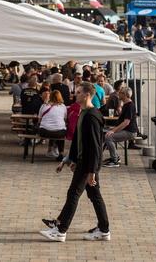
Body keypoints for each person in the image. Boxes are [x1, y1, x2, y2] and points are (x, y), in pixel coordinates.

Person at [40, 82, 110, 242]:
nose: (74, 94)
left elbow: (95, 146)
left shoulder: (91, 116)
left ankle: (60, 230)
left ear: (86, 95)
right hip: (84, 162)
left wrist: (92, 171)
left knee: (74, 194)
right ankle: (104, 229)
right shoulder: (83, 113)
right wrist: (68, 160)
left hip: (87, 164)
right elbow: (78, 141)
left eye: (78, 92)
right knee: (94, 195)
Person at [103, 87, 137, 167]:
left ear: (125, 95)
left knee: (108, 137)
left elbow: (126, 123)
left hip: (130, 132)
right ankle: (113, 157)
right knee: (104, 132)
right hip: (126, 130)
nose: (118, 94)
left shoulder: (129, 105)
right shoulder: (125, 104)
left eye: (120, 92)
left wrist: (113, 130)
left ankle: (115, 160)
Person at [38, 90, 67, 159]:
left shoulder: (44, 106)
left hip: (44, 132)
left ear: (50, 97)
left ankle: (50, 150)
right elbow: (65, 119)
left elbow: (39, 120)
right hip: (59, 133)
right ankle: (61, 153)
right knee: (60, 130)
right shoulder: (63, 106)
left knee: (51, 129)